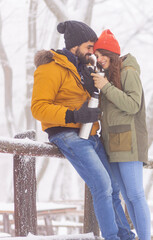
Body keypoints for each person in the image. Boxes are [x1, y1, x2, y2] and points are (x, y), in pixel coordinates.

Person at [31, 21, 135, 240]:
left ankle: (126, 236)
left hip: (90, 134)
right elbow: (38, 108)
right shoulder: (50, 68)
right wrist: (74, 116)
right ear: (75, 45)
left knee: (114, 187)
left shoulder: (83, 69)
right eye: (89, 47)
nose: (92, 52)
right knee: (102, 185)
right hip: (67, 134)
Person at [90, 29, 151, 240]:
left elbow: (133, 105)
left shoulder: (128, 72)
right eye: (96, 56)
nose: (99, 59)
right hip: (112, 142)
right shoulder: (108, 76)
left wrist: (106, 87)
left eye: (102, 54)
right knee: (126, 196)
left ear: (112, 53)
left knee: (135, 195)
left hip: (130, 141)